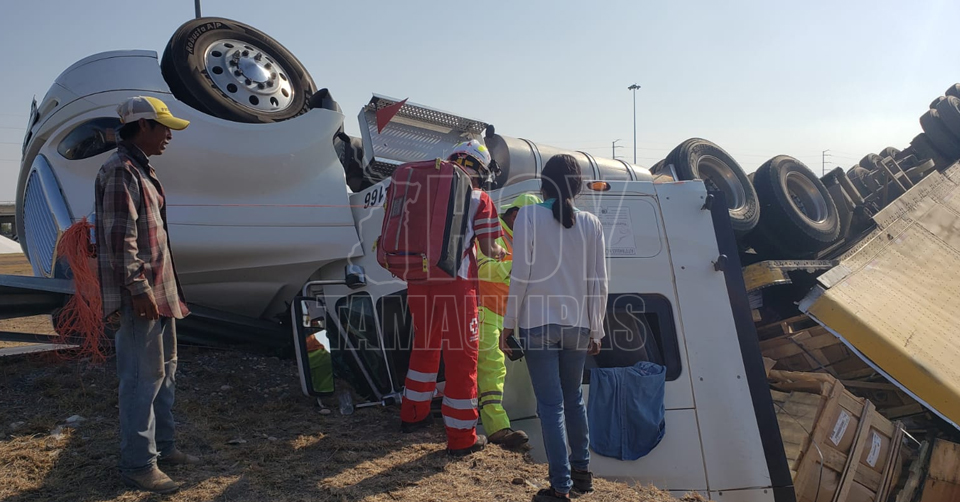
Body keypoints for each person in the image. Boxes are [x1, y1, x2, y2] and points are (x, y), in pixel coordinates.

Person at [95, 96, 197, 494]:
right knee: (141, 379)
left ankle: (164, 447)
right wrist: (138, 290)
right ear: (142, 126)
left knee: (164, 372)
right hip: (143, 297)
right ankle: (139, 464)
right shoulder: (121, 171)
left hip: (161, 293)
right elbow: (121, 240)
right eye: (164, 127)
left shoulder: (140, 169)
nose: (169, 135)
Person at [501, 154, 608, 501]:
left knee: (550, 406)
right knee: (574, 399)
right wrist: (597, 329)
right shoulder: (592, 223)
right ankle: (583, 475)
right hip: (578, 325)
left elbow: (520, 275)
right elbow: (600, 282)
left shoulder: (529, 216)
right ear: (577, 187)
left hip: (538, 323)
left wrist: (508, 324)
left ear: (543, 184)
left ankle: (560, 486)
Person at [399, 140, 506, 456]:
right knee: (462, 359)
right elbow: (488, 248)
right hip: (456, 287)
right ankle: (462, 438)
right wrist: (501, 251)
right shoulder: (479, 198)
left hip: (419, 282)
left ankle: (412, 415)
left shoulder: (422, 194)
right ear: (479, 171)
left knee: (424, 347)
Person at [475, 193, 542, 448]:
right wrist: (516, 269)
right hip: (485, 310)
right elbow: (482, 269)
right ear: (515, 215)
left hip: (506, 315)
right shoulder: (492, 234)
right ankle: (497, 428)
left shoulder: (521, 239)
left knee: (498, 370)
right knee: (492, 367)